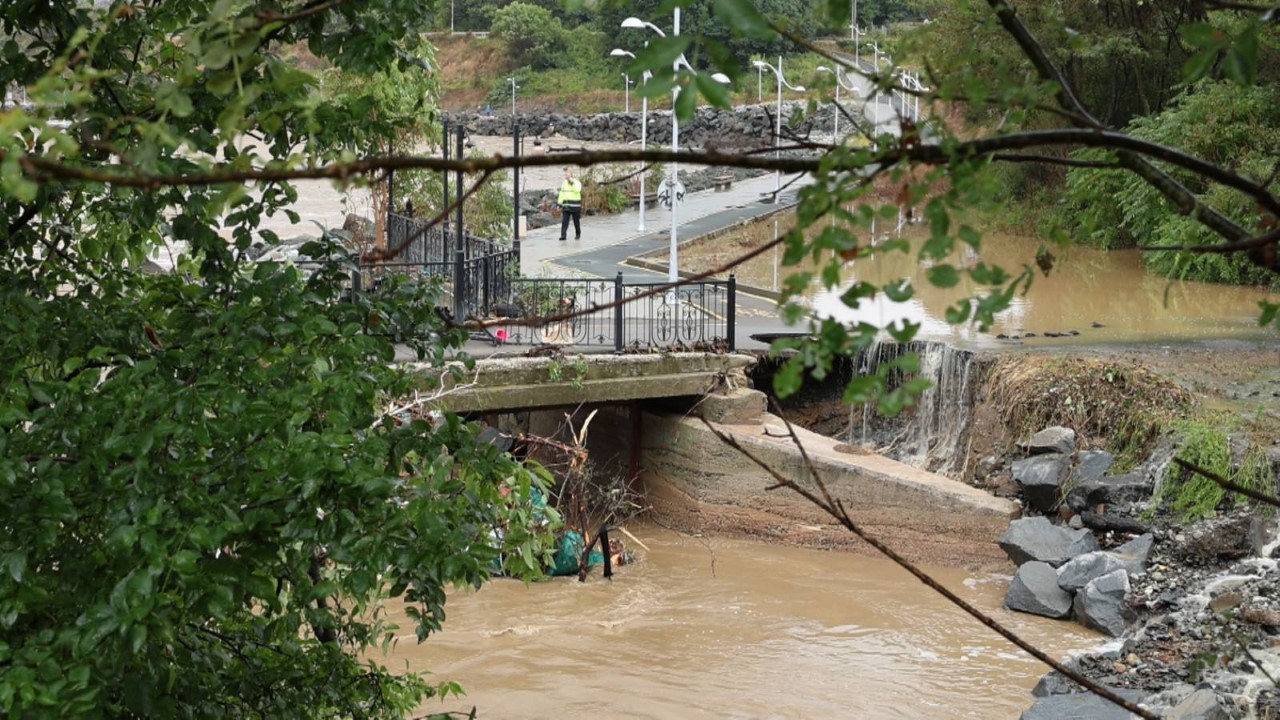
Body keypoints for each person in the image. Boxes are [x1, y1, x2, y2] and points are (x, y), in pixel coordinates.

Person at [557, 167, 582, 241]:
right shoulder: (564, 183)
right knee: (565, 221)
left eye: (568, 175)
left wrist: (571, 182)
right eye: (565, 175)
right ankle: (563, 235)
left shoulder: (577, 182)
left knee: (576, 221)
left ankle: (578, 234)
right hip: (566, 206)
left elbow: (577, 190)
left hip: (575, 206)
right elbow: (561, 194)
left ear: (571, 175)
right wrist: (559, 204)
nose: (566, 177)